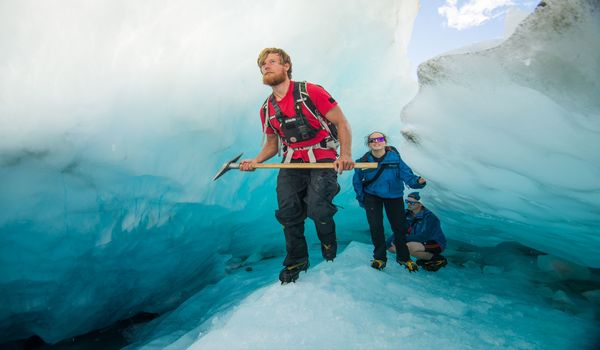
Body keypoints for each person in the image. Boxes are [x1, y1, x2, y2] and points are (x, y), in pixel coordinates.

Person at [240, 48, 354, 284]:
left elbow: (341, 123)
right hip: (292, 161)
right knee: (288, 212)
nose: (266, 67)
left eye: (272, 62)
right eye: (262, 65)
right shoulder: (267, 109)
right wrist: (256, 161)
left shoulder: (311, 92)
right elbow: (272, 144)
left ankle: (328, 246)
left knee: (318, 207)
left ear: (287, 66)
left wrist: (345, 154)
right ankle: (296, 260)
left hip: (322, 157)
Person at [352, 132, 426, 272]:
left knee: (399, 227)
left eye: (380, 139)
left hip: (394, 196)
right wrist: (363, 200)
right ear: (369, 144)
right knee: (376, 227)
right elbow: (357, 182)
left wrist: (418, 182)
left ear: (385, 142)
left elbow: (407, 176)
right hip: (372, 197)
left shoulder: (395, 159)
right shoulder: (363, 161)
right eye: (372, 140)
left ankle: (404, 258)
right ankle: (379, 258)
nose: (376, 142)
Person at [387, 192, 448, 271]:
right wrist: (388, 243)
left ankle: (437, 259)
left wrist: (403, 239)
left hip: (435, 243)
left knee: (407, 247)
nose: (408, 204)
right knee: (391, 248)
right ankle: (424, 258)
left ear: (421, 204)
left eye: (412, 203)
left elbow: (424, 236)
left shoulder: (430, 217)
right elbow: (399, 230)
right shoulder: (406, 214)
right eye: (407, 201)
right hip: (416, 240)